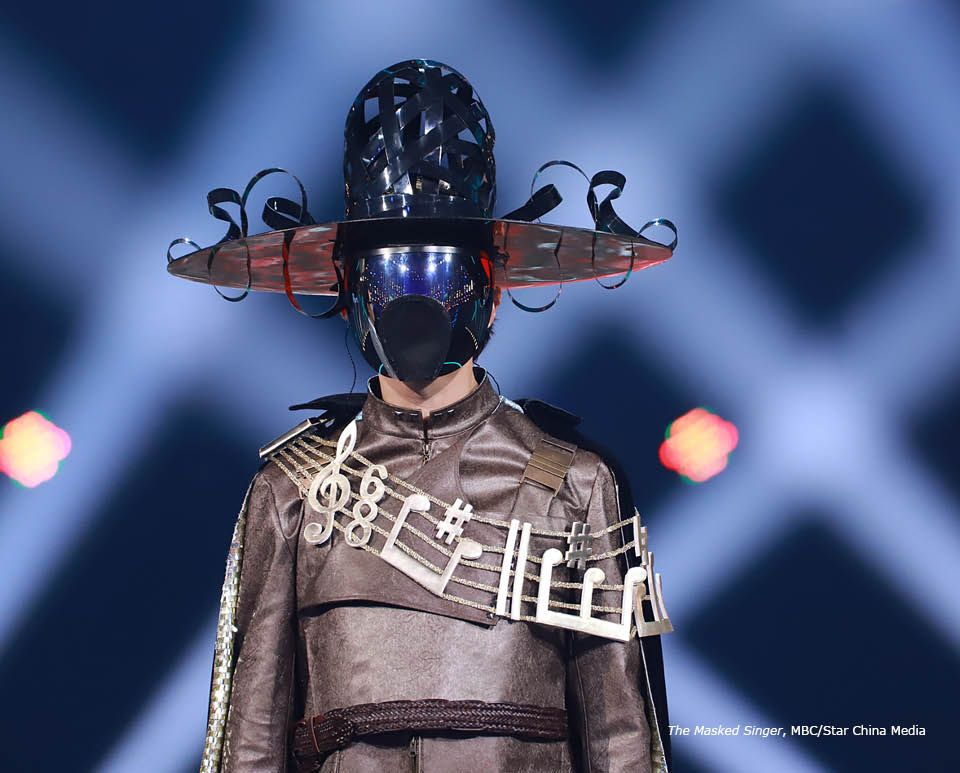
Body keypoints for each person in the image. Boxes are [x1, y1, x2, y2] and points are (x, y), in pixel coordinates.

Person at [169, 59, 676, 772]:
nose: (413, 302)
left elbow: (621, 737)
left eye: (438, 274)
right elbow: (250, 742)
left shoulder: (576, 485)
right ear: (349, 295)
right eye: (389, 275)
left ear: (489, 292)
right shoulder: (291, 491)